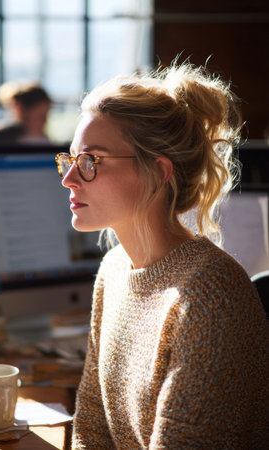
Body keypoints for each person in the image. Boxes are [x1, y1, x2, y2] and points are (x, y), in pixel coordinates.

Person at [55, 61, 269, 449]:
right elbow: (93, 426)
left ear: (158, 171)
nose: (69, 178)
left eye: (91, 161)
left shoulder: (208, 295)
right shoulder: (114, 269)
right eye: (70, 159)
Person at [0, 81, 52, 146]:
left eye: (47, 115)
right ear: (19, 108)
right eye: (39, 117)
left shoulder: (47, 142)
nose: (45, 122)